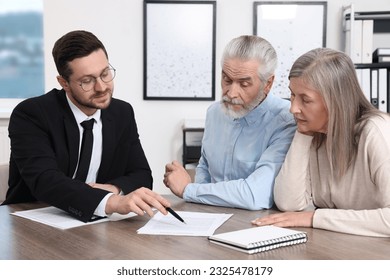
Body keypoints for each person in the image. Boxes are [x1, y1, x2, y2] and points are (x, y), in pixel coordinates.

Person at [2, 30, 171, 222]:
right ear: (64, 83)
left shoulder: (122, 112)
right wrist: (111, 202)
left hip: (95, 224)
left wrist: (113, 189)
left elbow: (141, 175)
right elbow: (45, 181)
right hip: (35, 219)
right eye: (87, 81)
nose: (102, 87)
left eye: (105, 73)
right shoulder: (32, 114)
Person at [252, 48, 390, 237]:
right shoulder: (314, 131)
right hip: (336, 244)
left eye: (305, 100)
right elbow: (289, 203)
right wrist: (302, 133)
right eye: (292, 95)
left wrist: (313, 218)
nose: (293, 108)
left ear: (335, 101)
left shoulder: (377, 131)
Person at [164, 35, 296, 210]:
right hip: (209, 216)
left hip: (255, 225)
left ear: (268, 83)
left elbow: (256, 195)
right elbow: (205, 165)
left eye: (244, 84)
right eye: (227, 80)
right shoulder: (214, 113)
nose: (231, 93)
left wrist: (189, 190)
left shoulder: (286, 121)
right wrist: (197, 198)